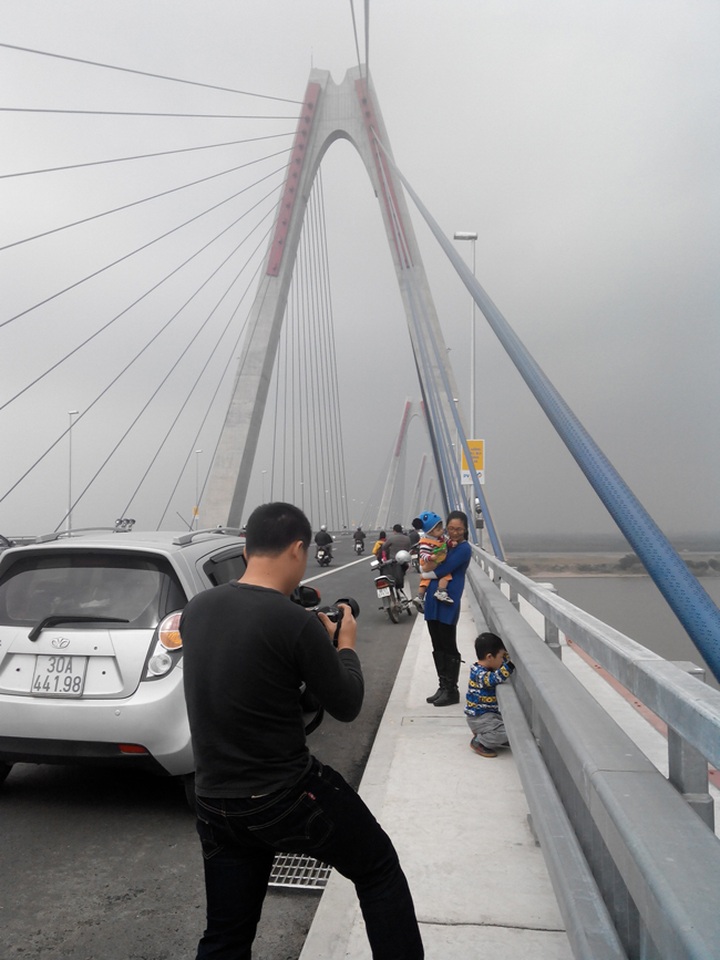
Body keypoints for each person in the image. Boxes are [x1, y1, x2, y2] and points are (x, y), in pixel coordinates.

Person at [180, 502, 424, 960]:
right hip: (283, 795)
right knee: (378, 870)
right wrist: (344, 645)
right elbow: (346, 704)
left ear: (248, 547)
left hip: (214, 801)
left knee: (227, 934)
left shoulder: (198, 608)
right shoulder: (293, 622)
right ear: (297, 549)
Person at [422, 510, 472, 707]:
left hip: (448, 600)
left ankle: (452, 690)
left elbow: (441, 569)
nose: (455, 532)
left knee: (448, 644)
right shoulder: (445, 544)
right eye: (451, 528)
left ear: (465, 529)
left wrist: (424, 574)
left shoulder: (463, 549)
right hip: (433, 600)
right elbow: (427, 558)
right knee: (437, 644)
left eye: (459, 529)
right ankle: (442, 686)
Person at [465, 632, 515, 758]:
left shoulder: (485, 668)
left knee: (510, 726)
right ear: (489, 657)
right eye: (501, 657)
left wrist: (506, 657)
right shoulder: (479, 674)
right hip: (480, 718)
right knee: (510, 731)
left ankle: (488, 734)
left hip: (487, 716)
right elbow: (492, 679)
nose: (503, 660)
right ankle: (480, 741)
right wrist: (510, 666)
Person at [412, 511, 453, 611]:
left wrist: (451, 543)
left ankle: (420, 596)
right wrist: (431, 558)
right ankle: (441, 591)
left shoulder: (440, 538)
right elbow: (423, 554)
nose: (442, 531)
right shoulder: (426, 542)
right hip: (428, 562)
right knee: (446, 575)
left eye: (441, 528)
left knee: (425, 581)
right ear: (430, 532)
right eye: (438, 530)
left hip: (433, 562)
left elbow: (446, 542)